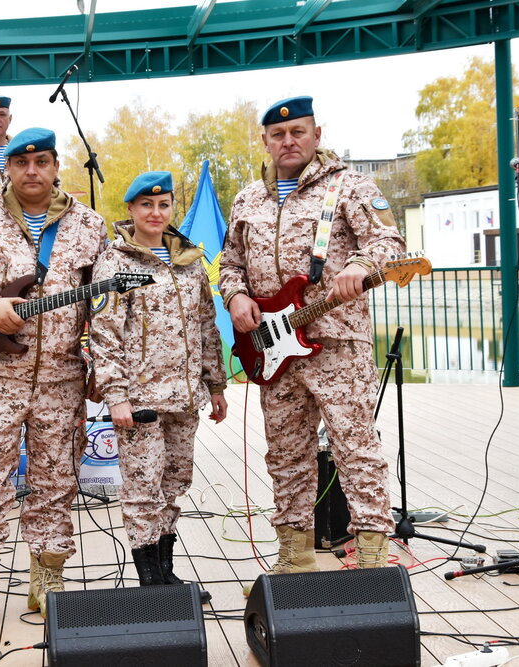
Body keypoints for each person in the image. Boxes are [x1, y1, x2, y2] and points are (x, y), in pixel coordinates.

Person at [219, 96, 404, 592]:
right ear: (265, 141)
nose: (288, 141)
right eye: (278, 135)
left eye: (298, 132)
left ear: (316, 135)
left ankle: (371, 563)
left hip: (338, 344)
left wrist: (362, 267)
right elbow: (229, 262)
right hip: (274, 350)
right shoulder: (246, 200)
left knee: (356, 448)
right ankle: (295, 560)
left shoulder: (349, 187)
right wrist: (235, 296)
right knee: (285, 454)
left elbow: (390, 244)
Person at [0, 127, 108, 628]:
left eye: (43, 161)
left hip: (63, 377)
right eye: (22, 162)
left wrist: (102, 366)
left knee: (55, 482)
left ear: (56, 166)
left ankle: (46, 579)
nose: (33, 171)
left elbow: (105, 306)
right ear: (7, 168)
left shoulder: (89, 225)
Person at [90, 171, 228, 596]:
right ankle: (150, 583)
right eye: (146, 205)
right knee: (142, 487)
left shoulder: (188, 260)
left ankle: (167, 575)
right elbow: (104, 330)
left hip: (185, 399)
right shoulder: (116, 262)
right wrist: (116, 397)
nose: (156, 212)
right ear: (130, 210)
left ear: (172, 210)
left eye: (164, 205)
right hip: (141, 400)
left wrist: (216, 385)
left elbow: (207, 326)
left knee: (173, 484)